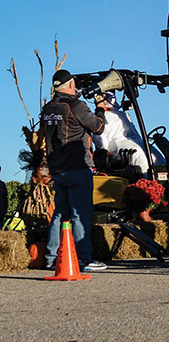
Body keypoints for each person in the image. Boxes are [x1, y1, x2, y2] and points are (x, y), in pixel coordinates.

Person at [42, 69, 107, 271]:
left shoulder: (48, 108)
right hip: (77, 167)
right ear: (70, 85)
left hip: (57, 168)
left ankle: (51, 258)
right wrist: (100, 108)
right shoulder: (76, 106)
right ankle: (84, 258)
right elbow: (98, 127)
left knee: (60, 214)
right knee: (81, 214)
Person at [92, 92, 166, 178]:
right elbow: (100, 140)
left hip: (135, 140)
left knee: (155, 155)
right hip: (117, 143)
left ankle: (163, 182)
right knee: (138, 154)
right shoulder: (99, 117)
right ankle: (146, 183)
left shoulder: (123, 114)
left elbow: (133, 132)